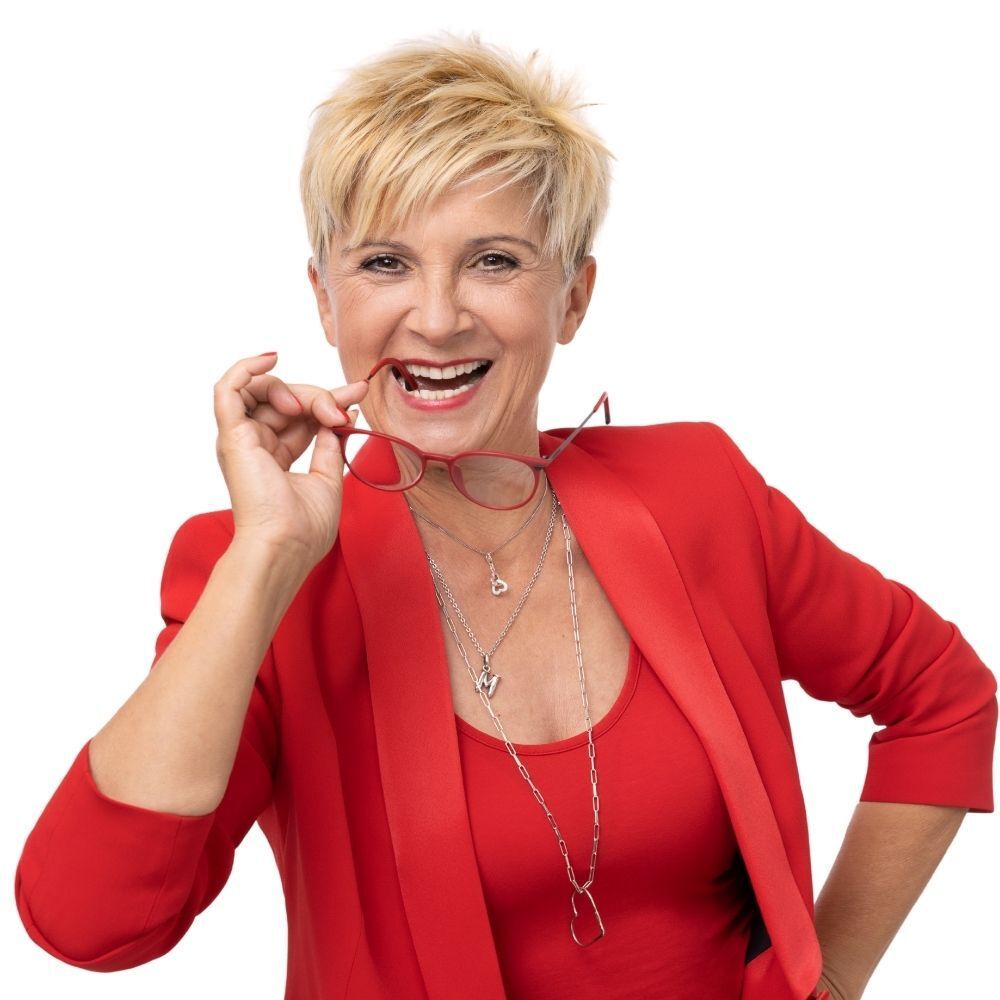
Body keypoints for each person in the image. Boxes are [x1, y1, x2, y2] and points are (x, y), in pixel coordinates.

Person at [14, 31, 996, 1000]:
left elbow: (943, 697)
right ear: (324, 299)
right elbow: (90, 922)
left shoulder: (699, 492)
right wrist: (264, 559)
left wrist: (831, 977)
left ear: (572, 296)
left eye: (493, 260)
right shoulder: (255, 570)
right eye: (385, 263)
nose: (438, 317)